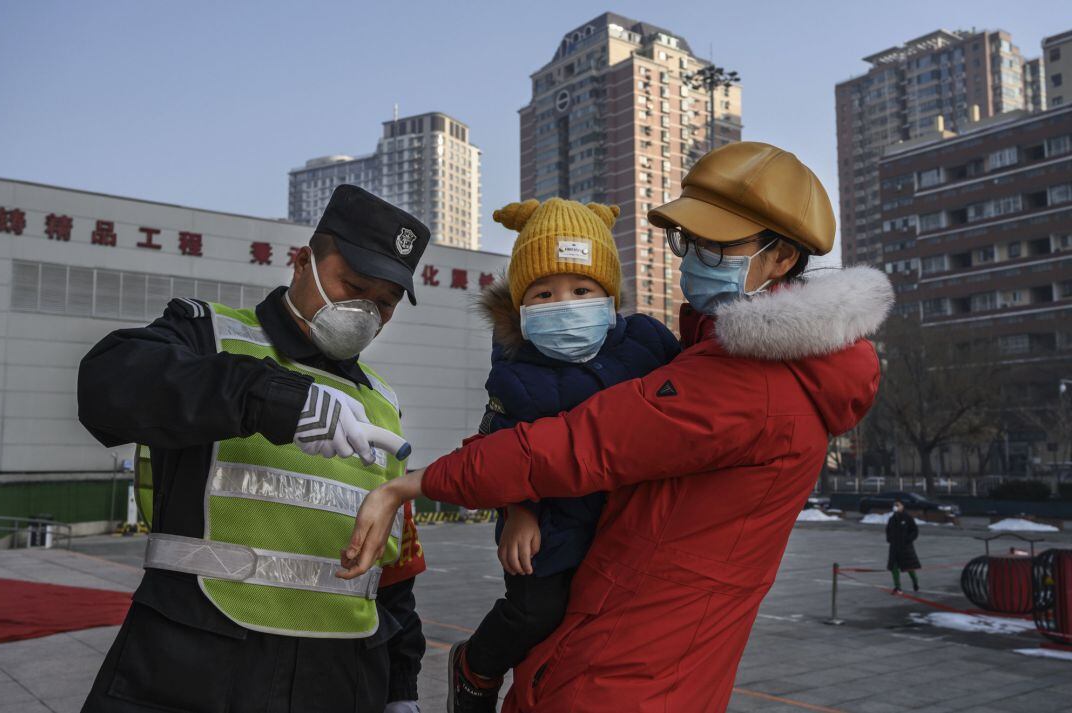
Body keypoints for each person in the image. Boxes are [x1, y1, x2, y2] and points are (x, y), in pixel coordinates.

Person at [339, 141, 895, 712]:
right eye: (688, 239)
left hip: (619, 670)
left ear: (781, 258)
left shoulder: (747, 380)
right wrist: (520, 509)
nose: (693, 256)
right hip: (655, 657)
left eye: (716, 243)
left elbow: (577, 445)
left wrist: (412, 485)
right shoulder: (742, 360)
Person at [78, 185, 429, 713]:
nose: (365, 313)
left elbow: (393, 565)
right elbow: (105, 386)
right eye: (353, 285)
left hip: (344, 675)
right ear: (302, 261)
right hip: (198, 662)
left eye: (384, 303)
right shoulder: (209, 335)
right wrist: (264, 395)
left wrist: (401, 687)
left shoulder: (382, 402)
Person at [448, 198, 681, 712]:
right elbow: (498, 448)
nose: (565, 304)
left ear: (609, 295)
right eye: (544, 293)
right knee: (536, 613)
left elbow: (691, 392)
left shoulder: (646, 343)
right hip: (548, 522)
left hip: (625, 519)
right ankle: (475, 668)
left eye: (581, 290)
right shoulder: (515, 370)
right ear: (521, 305)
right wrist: (518, 513)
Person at [886, 500, 922, 594]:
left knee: (909, 568)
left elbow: (914, 531)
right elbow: (888, 530)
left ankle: (915, 583)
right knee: (894, 568)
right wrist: (889, 538)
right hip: (894, 548)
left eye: (898, 505)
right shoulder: (892, 518)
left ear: (902, 506)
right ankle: (897, 587)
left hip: (905, 548)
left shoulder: (907, 518)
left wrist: (908, 539)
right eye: (894, 505)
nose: (896, 507)